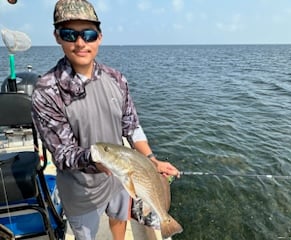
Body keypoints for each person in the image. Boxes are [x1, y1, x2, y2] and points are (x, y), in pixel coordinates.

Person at [31, 0, 180, 239]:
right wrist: (94, 158)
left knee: (119, 219)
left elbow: (132, 126)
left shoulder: (116, 79)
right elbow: (62, 153)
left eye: (88, 34)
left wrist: (151, 159)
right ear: (57, 37)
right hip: (81, 188)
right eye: (69, 34)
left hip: (120, 176)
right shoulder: (46, 90)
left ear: (99, 37)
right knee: (86, 234)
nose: (80, 43)